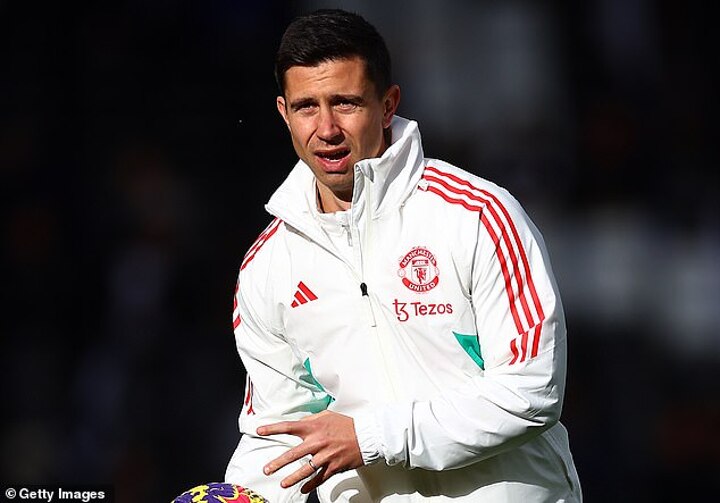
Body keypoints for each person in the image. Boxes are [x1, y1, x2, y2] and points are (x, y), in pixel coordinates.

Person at [225, 8, 582, 503]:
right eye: (307, 107)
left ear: (388, 104)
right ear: (284, 113)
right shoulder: (267, 266)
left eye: (345, 103)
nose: (326, 128)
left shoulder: (479, 215)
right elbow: (278, 432)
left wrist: (371, 437)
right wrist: (240, 495)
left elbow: (532, 391)